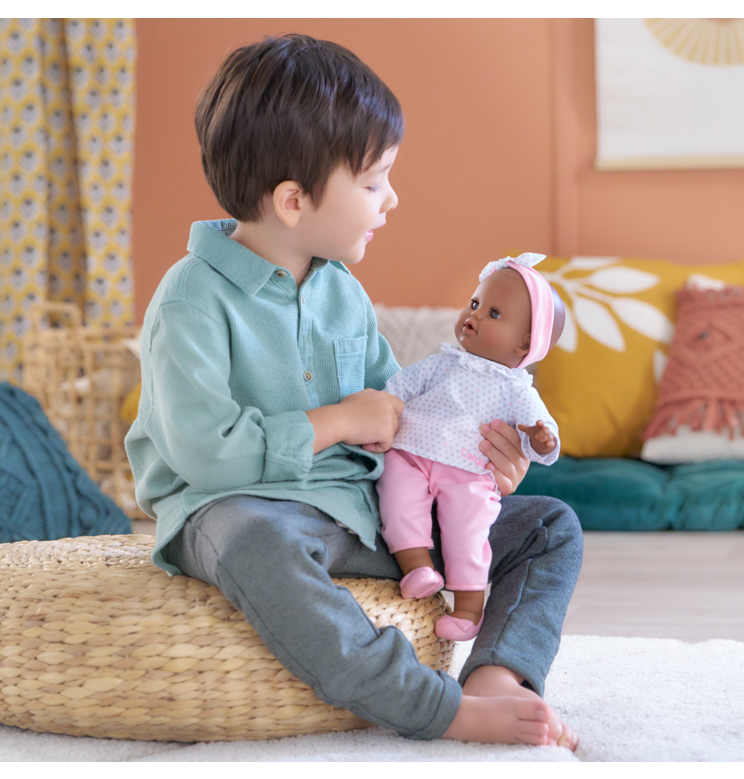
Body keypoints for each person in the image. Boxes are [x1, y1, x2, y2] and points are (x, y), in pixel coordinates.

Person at [125, 33, 582, 749]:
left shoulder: (344, 292)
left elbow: (398, 421)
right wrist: (337, 420)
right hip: (242, 509)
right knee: (257, 542)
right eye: (373, 183)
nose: (391, 199)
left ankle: (497, 672)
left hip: (362, 509)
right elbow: (207, 454)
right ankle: (434, 707)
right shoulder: (189, 300)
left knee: (550, 523)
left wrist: (478, 467)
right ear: (293, 199)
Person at [378, 254, 565, 641]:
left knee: (469, 531)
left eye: (494, 314)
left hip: (468, 472)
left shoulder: (517, 389)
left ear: (525, 343)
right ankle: (417, 568)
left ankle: (467, 610)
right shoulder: (443, 362)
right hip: (410, 453)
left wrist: (540, 437)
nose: (475, 314)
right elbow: (396, 390)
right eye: (476, 303)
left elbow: (539, 432)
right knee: (396, 498)